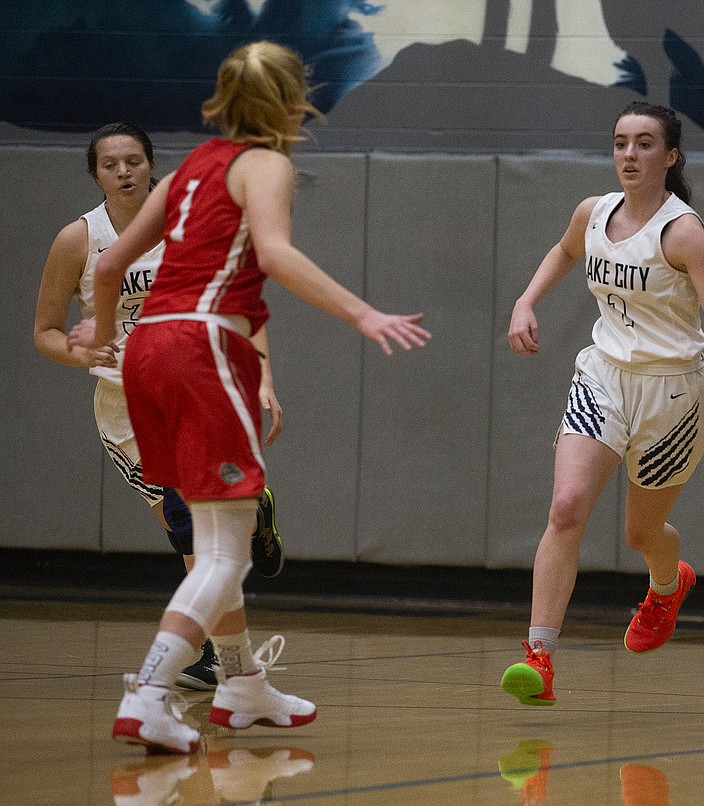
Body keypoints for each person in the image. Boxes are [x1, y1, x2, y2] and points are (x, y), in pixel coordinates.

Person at [67, 41, 431, 754]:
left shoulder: (186, 170)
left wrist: (104, 335)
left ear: (223, 99)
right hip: (202, 347)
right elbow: (275, 254)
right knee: (226, 555)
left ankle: (240, 686)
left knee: (212, 538)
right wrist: (363, 313)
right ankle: (148, 694)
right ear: (296, 103)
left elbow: (109, 264)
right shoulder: (267, 164)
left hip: (145, 351)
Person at [500, 101, 704, 707]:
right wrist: (525, 301)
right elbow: (564, 252)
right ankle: (539, 656)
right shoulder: (593, 212)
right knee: (565, 508)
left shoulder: (685, 233)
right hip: (602, 378)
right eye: (619, 143)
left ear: (671, 155)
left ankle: (668, 584)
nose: (628, 155)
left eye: (643, 144)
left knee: (643, 533)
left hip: (672, 396)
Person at [33, 122, 287, 692]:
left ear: (152, 166)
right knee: (199, 545)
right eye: (109, 164)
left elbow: (238, 301)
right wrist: (85, 354)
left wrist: (264, 376)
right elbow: (45, 332)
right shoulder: (79, 240)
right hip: (128, 408)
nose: (123, 172)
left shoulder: (189, 225)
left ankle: (205, 671)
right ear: (95, 174)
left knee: (199, 544)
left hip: (196, 387)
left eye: (133, 161)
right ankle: (228, 666)